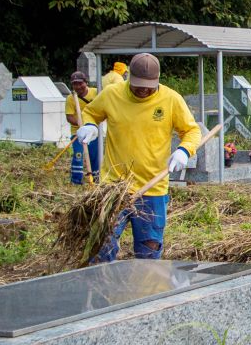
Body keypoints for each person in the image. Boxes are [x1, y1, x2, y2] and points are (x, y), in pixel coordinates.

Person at [74, 52, 202, 262]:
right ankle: (101, 289)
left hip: (153, 188)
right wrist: (89, 125)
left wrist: (184, 150)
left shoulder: (171, 99)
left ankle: (147, 291)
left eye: (148, 85)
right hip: (114, 187)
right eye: (138, 84)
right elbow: (91, 112)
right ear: (129, 78)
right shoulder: (112, 94)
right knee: (101, 247)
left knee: (149, 251)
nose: (143, 89)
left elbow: (192, 131)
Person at [64, 71, 99, 185]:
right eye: (75, 84)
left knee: (94, 156)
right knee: (78, 156)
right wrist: (82, 126)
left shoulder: (96, 92)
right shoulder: (71, 98)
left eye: (80, 83)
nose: (78, 86)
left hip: (93, 132)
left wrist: (89, 126)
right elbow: (69, 117)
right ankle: (76, 180)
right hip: (77, 132)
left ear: (86, 82)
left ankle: (96, 179)